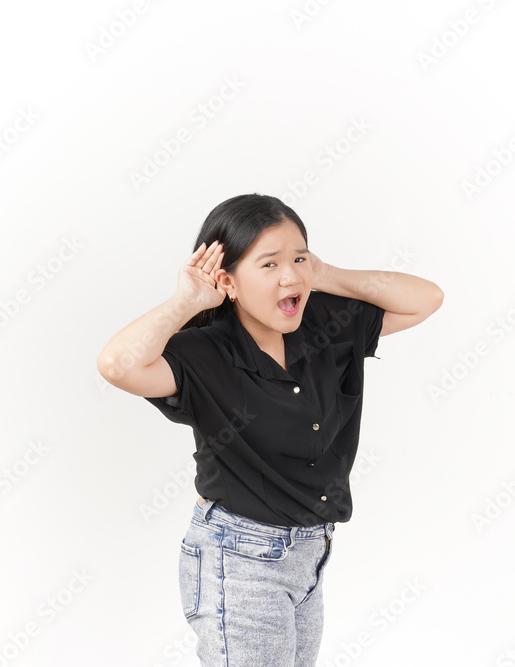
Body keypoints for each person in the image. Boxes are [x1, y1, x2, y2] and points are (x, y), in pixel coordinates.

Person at [97, 194, 443, 666]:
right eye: (269, 264)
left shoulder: (325, 322)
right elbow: (117, 365)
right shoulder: (203, 354)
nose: (290, 275)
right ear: (228, 282)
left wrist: (324, 274)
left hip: (310, 558)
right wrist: (186, 301)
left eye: (298, 257)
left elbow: (427, 299)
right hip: (240, 563)